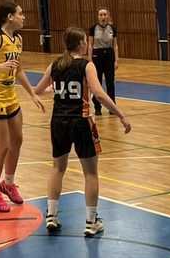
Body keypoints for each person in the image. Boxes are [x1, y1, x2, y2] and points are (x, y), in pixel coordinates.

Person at [33, 27, 131, 235]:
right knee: (91, 173)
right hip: (81, 121)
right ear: (80, 44)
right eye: (85, 42)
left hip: (58, 121)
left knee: (57, 168)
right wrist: (121, 115)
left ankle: (51, 216)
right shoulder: (87, 66)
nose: (87, 44)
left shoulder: (55, 65)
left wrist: (55, 89)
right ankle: (91, 221)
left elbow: (38, 90)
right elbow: (99, 94)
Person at [0, 2, 45, 213]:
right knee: (2, 145)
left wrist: (32, 93)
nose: (24, 17)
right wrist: (0, 67)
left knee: (17, 140)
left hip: (9, 95)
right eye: (21, 14)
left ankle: (8, 183)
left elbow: (18, 69)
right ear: (10, 17)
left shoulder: (18, 39)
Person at [88, 8, 118, 116]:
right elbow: (90, 45)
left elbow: (115, 45)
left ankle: (112, 107)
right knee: (97, 83)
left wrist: (116, 60)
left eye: (105, 14)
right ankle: (97, 107)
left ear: (108, 16)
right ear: (98, 16)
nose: (103, 16)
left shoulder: (112, 28)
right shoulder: (93, 28)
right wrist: (90, 59)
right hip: (97, 55)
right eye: (101, 15)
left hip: (109, 55)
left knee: (110, 83)